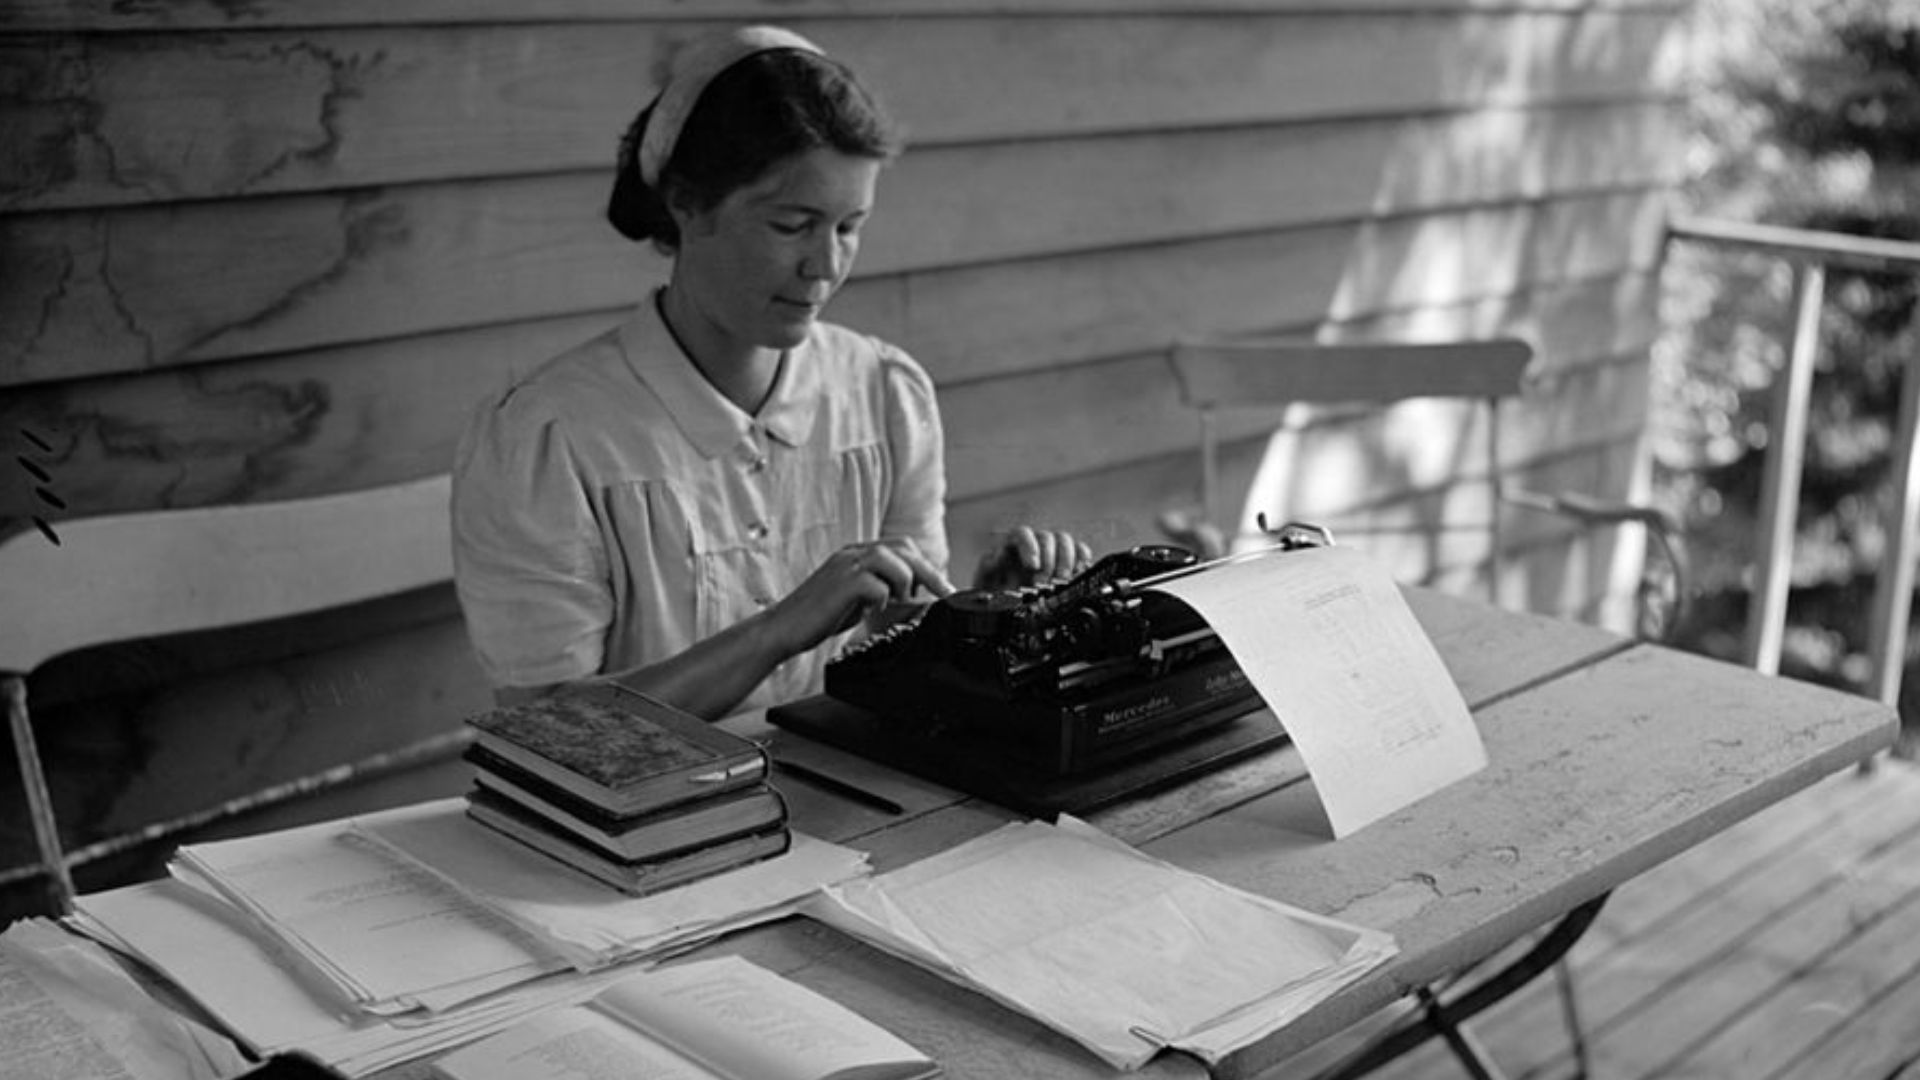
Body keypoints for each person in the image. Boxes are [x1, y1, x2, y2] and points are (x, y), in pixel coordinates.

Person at [451, 25, 1092, 719]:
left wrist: (974, 615)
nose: (826, 266)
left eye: (849, 227)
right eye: (792, 226)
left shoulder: (882, 393)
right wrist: (776, 632)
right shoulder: (549, 437)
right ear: (688, 205)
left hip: (839, 800)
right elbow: (545, 730)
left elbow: (889, 650)